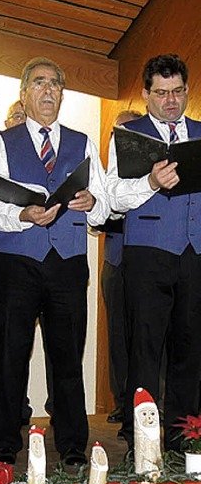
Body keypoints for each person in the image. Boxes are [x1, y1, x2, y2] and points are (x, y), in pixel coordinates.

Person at [0, 56, 109, 466]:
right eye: (39, 83)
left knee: (67, 355)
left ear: (62, 94)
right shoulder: (2, 142)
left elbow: (105, 204)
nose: (48, 90)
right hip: (15, 261)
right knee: (9, 354)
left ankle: (72, 444)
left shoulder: (82, 141)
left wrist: (91, 204)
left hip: (67, 262)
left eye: (55, 84)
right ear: (24, 93)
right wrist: (22, 215)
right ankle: (4, 442)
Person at [107, 54, 201, 453]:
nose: (171, 101)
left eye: (178, 91)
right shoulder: (127, 136)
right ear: (146, 95)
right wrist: (148, 181)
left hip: (195, 250)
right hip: (147, 251)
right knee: (144, 349)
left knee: (191, 347)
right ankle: (140, 438)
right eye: (161, 93)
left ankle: (185, 435)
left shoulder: (199, 132)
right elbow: (112, 196)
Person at [99, 109, 141, 428]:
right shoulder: (104, 174)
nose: (120, 139)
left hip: (149, 260)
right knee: (118, 333)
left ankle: (153, 401)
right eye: (116, 134)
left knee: (151, 332)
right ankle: (121, 401)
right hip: (115, 258)